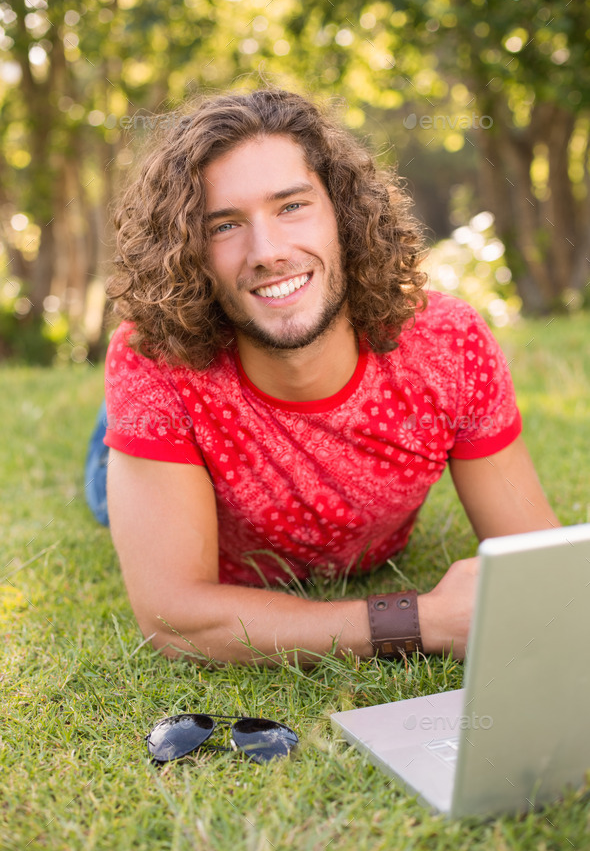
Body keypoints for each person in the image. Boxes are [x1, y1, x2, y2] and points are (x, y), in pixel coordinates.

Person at [90, 88, 559, 666]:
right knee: (107, 479)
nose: (267, 252)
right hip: (175, 425)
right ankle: (114, 439)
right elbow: (177, 620)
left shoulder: (448, 344)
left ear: (344, 213)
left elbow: (540, 563)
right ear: (189, 251)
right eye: (223, 226)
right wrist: (422, 621)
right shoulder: (155, 360)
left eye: (291, 206)